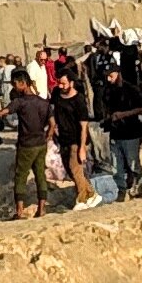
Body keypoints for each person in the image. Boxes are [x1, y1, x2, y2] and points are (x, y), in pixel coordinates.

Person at [6, 69, 55, 219]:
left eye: (15, 84)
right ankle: (41, 209)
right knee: (40, 175)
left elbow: (3, 112)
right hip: (40, 143)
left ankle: (19, 211)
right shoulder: (44, 102)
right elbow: (52, 124)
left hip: (26, 144)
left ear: (22, 83)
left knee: (21, 175)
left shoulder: (20, 102)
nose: (14, 87)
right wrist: (47, 137)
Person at [52, 72, 97, 209]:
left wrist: (82, 147)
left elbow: (84, 125)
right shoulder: (56, 94)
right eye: (59, 83)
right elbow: (52, 110)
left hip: (76, 140)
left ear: (71, 82)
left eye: (63, 83)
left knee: (75, 168)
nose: (61, 86)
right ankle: (91, 194)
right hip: (63, 139)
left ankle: (82, 199)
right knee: (70, 171)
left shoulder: (79, 100)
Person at [103, 64, 142, 195]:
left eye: (111, 76)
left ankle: (140, 185)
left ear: (118, 74)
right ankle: (121, 190)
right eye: (107, 76)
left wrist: (123, 114)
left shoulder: (131, 89)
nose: (108, 79)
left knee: (133, 163)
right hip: (115, 133)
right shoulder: (108, 91)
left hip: (131, 132)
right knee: (116, 165)